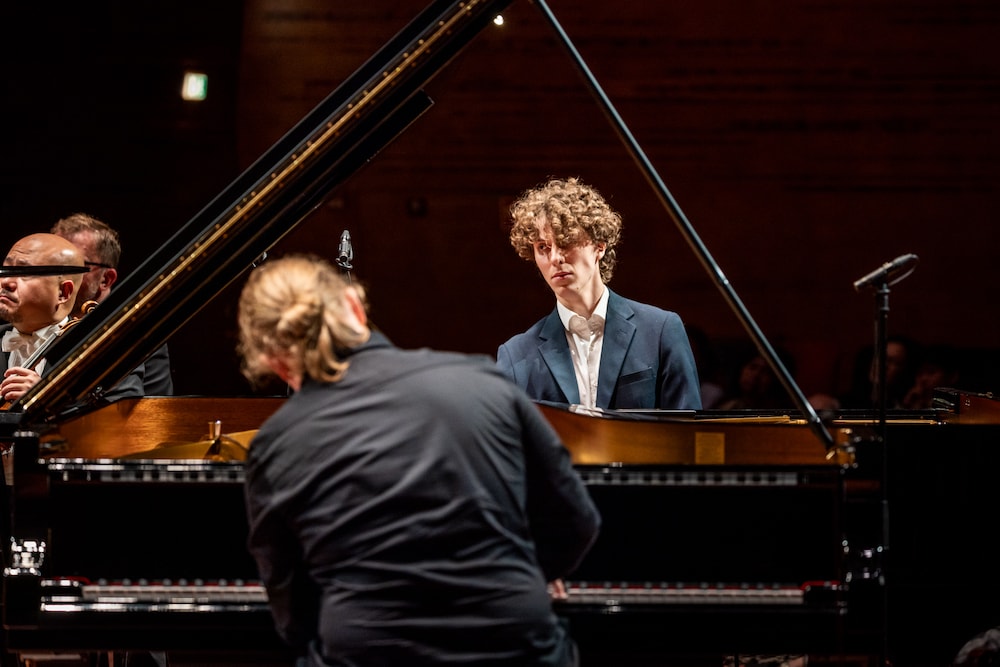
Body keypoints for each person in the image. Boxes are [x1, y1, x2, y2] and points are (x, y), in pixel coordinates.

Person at [236, 254, 601, 667]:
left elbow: (295, 617)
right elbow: (576, 523)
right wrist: (514, 579)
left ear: (273, 361)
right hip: (514, 650)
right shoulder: (482, 382)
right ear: (356, 307)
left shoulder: (276, 443)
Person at [496, 177, 702, 411]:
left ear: (599, 245)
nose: (555, 258)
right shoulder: (515, 355)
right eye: (543, 248)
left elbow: (689, 436)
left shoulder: (660, 331)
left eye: (565, 241)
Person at [51, 212, 173, 396]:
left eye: (73, 265)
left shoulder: (134, 329)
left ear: (106, 279)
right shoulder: (38, 320)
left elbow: (132, 411)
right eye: (50, 263)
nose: (56, 275)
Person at [0, 233, 88, 404]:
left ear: (63, 293)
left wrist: (50, 401)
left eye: (24, 273)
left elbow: (123, 421)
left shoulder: (102, 350)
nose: (6, 282)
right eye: (6, 270)